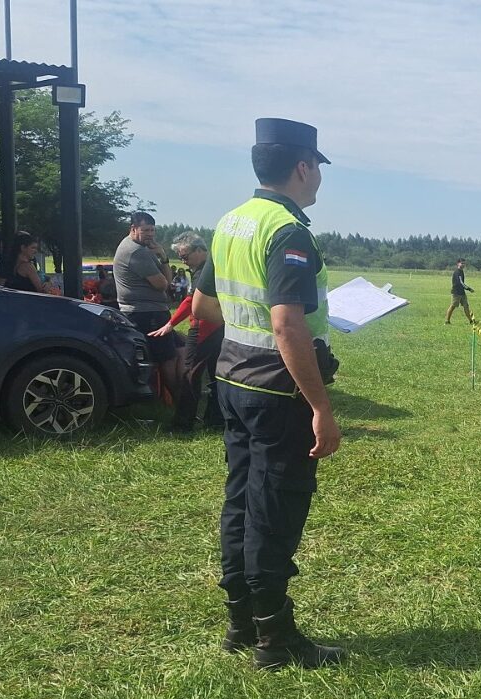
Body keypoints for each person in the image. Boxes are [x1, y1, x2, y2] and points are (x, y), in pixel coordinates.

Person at [190, 118, 344, 670]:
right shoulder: (288, 231)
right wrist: (322, 406)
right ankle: (274, 639)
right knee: (274, 511)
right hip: (279, 394)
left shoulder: (232, 222)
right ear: (302, 167)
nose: (319, 181)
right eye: (317, 170)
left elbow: (204, 306)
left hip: (232, 382)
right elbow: (286, 325)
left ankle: (240, 621)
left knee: (240, 503)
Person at [149, 232, 223, 431]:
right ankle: (215, 419)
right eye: (181, 257)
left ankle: (183, 423)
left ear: (199, 250)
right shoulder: (215, 264)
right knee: (217, 374)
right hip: (220, 326)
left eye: (185, 256)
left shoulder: (203, 271)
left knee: (189, 374)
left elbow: (191, 301)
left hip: (204, 327)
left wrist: (170, 323)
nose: (183, 261)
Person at [114, 212, 185, 406]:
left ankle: (181, 394)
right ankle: (179, 402)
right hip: (147, 312)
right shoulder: (137, 252)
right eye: (145, 230)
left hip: (148, 310)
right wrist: (163, 260)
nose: (150, 234)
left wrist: (162, 257)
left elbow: (166, 283)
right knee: (167, 358)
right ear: (133, 229)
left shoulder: (137, 248)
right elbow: (163, 284)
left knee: (182, 347)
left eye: (152, 230)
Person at [445, 258, 474, 324]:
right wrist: (469, 289)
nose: (463, 265)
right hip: (456, 292)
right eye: (462, 263)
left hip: (462, 292)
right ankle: (447, 321)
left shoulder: (461, 271)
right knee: (453, 306)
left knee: (466, 306)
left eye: (464, 263)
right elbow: (461, 283)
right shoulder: (457, 272)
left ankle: (471, 321)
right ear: (458, 263)